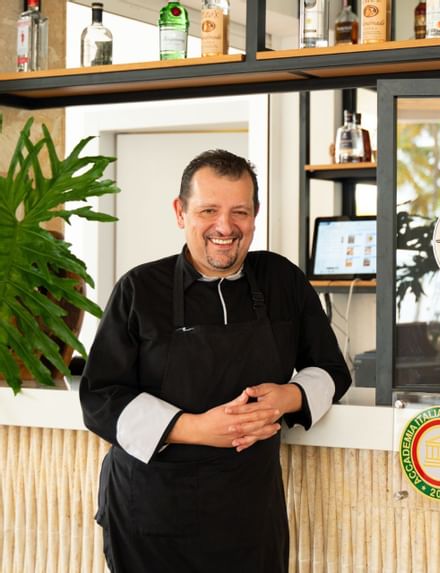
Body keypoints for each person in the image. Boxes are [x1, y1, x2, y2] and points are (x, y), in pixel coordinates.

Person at [79, 149, 351, 572]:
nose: (225, 227)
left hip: (250, 515)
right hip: (152, 514)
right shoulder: (139, 289)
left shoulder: (282, 280)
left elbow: (332, 370)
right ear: (180, 212)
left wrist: (289, 397)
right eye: (209, 210)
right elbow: (100, 397)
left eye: (239, 211)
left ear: (255, 214)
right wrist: (198, 427)